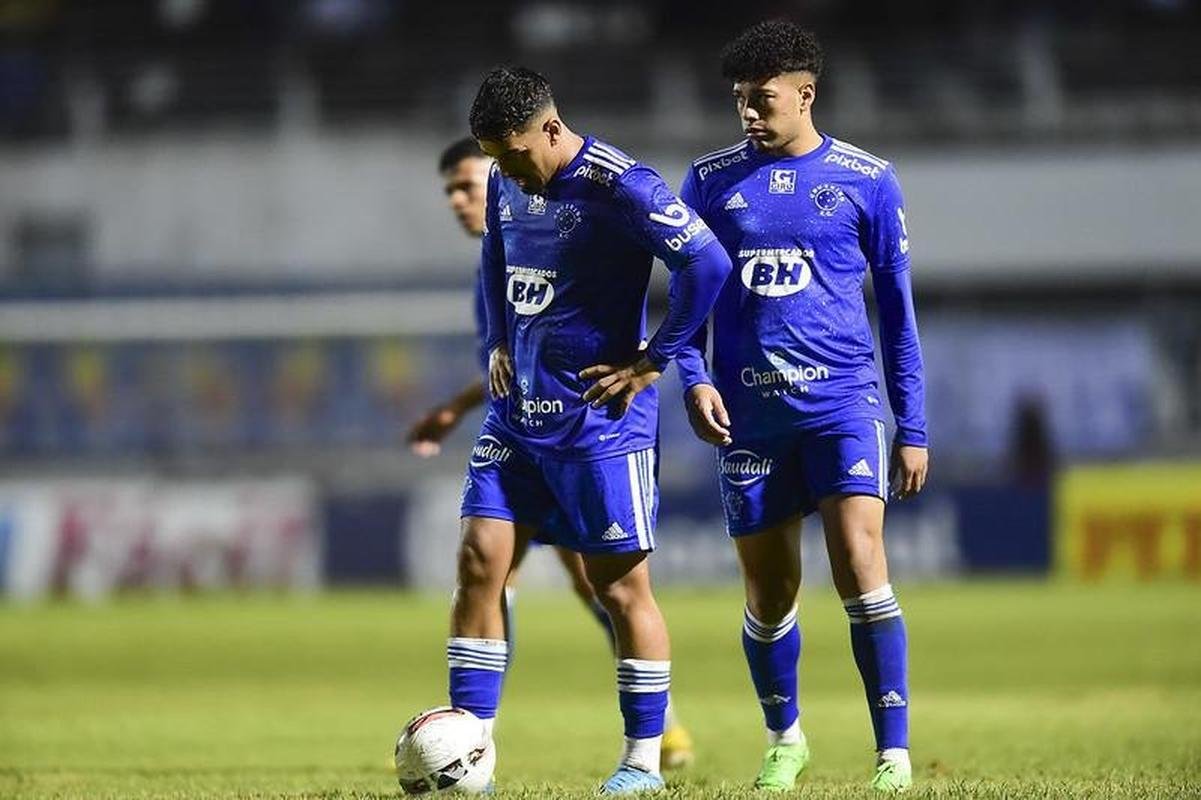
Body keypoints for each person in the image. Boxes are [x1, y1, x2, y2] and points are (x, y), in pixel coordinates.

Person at [446, 65, 730, 793]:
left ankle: (642, 761)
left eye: (514, 156)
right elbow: (495, 253)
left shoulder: (622, 186)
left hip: (599, 423)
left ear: (549, 127)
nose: (506, 173)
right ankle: (468, 752)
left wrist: (653, 361)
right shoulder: (508, 177)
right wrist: (498, 339)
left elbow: (707, 263)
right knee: (479, 559)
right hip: (518, 415)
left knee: (618, 589)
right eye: (496, 161)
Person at [677, 20, 930, 793]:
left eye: (761, 99)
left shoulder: (867, 179)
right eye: (739, 100)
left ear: (804, 94)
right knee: (768, 592)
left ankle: (892, 754)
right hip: (749, 418)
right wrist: (692, 377)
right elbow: (684, 303)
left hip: (842, 404)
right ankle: (784, 739)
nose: (747, 113)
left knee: (859, 562)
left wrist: (912, 425)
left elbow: (897, 312)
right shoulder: (708, 181)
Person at [408, 138, 695, 769]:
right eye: (451, 192)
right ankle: (473, 742)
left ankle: (655, 736)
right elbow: (514, 362)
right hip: (521, 432)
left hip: (588, 433)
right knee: (486, 565)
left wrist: (670, 365)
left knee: (600, 584)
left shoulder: (587, 212)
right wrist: (462, 405)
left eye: (467, 185)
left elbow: (685, 275)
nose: (460, 200)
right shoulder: (500, 257)